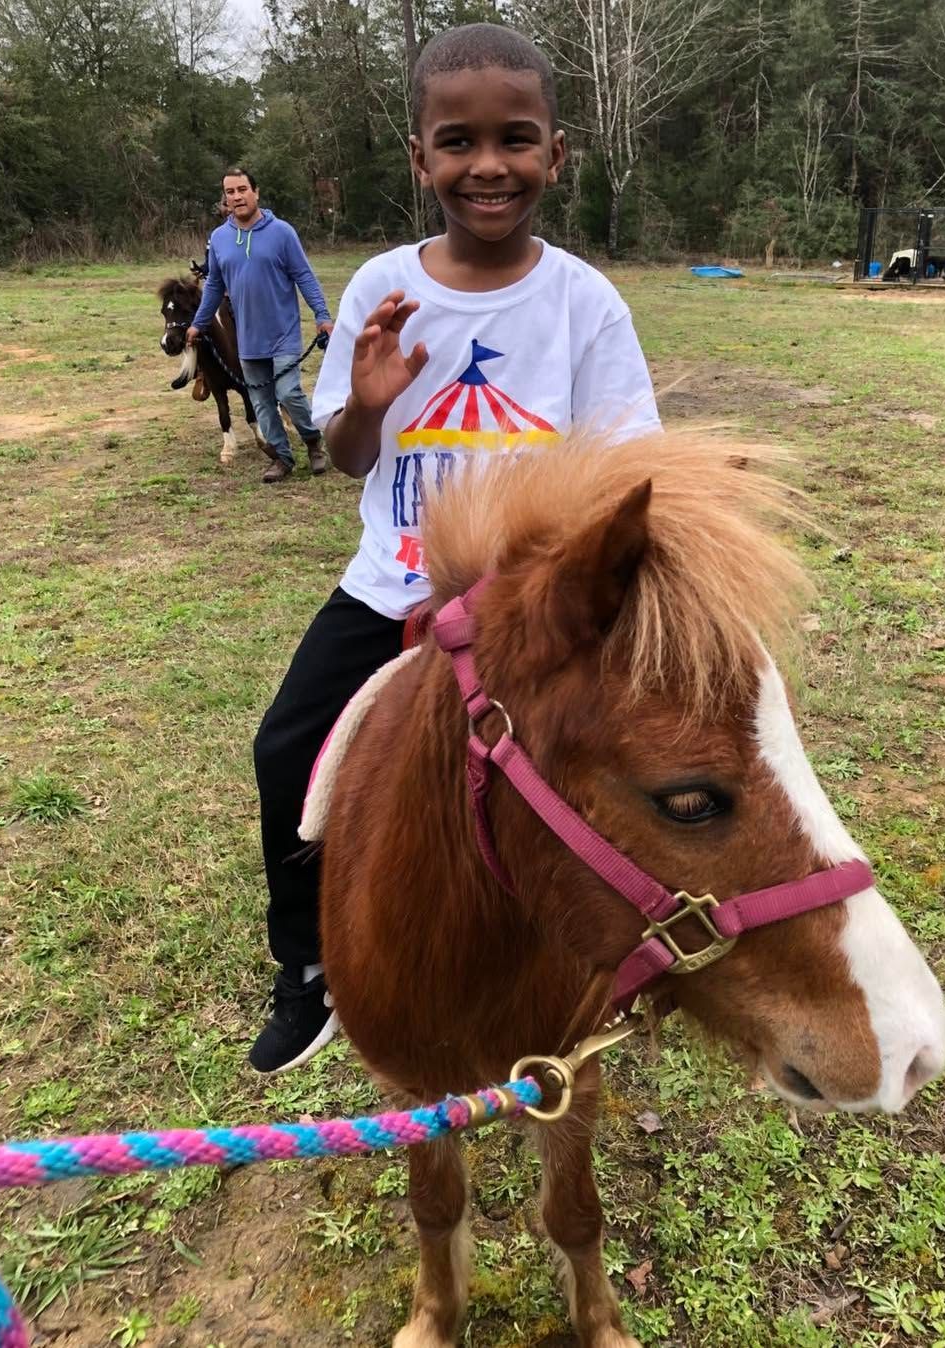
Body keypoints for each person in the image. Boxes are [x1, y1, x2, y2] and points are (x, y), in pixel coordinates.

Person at [247, 22, 661, 1074]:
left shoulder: (583, 305)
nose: (488, 165)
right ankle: (307, 970)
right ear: (418, 154)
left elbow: (625, 474)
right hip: (387, 586)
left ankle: (610, 954)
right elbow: (345, 459)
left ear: (555, 154)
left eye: (515, 139)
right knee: (282, 750)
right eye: (457, 141)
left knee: (609, 768)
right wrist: (366, 406)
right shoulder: (383, 284)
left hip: (528, 608)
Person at [186, 168, 334, 483]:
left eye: (242, 189)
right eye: (230, 192)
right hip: (247, 336)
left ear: (256, 192)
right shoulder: (220, 238)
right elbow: (213, 285)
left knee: (289, 392)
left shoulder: (281, 232)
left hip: (283, 332)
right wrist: (198, 324)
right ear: (225, 198)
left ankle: (312, 442)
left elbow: (304, 275)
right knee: (262, 402)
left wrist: (321, 315)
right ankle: (282, 457)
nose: (237, 197)